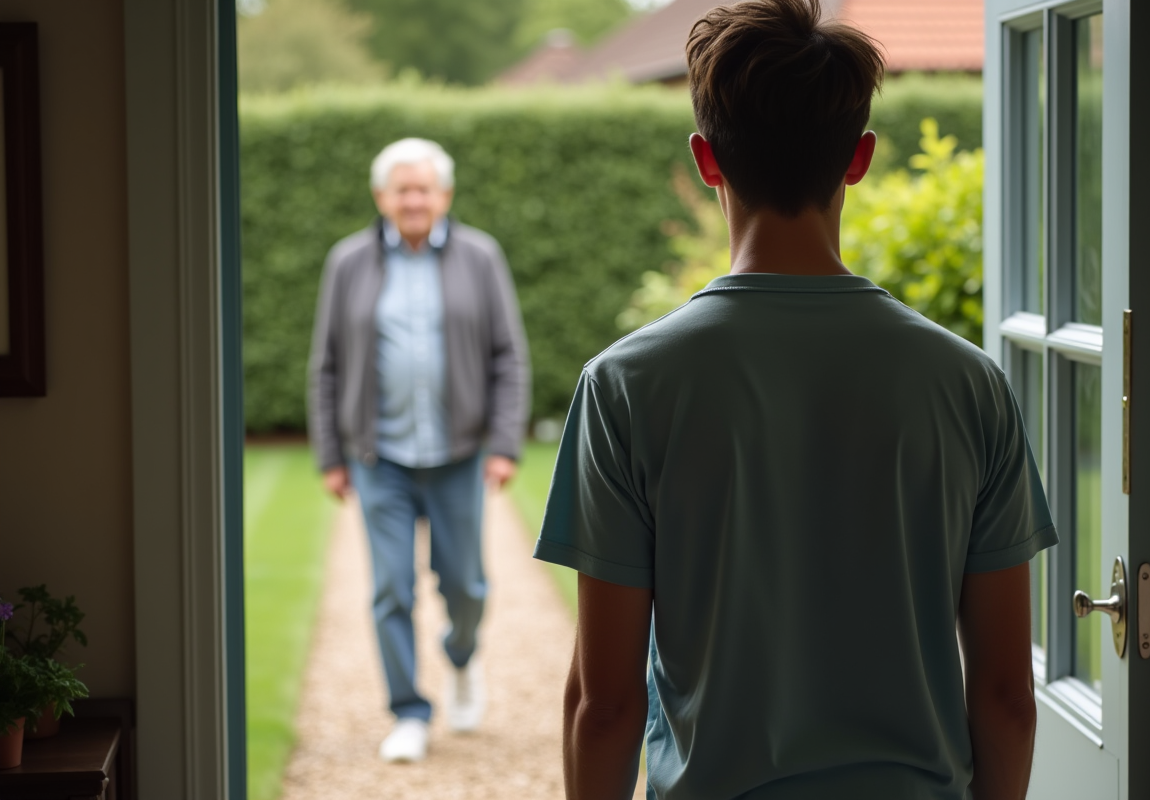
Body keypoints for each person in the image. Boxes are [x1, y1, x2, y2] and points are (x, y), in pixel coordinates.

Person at [532, 1, 1057, 798]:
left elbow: (604, 704)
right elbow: (1007, 697)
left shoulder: (625, 386)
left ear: (706, 161)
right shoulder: (968, 383)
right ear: (859, 158)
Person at [309, 137, 530, 764]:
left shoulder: (479, 257)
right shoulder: (347, 262)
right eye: (401, 188)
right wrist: (331, 456)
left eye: (423, 188)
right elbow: (325, 365)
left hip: (459, 456)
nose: (413, 199)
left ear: (445, 195)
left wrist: (504, 444)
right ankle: (408, 710)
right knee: (391, 590)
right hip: (379, 461)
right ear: (381, 196)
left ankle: (461, 659)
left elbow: (508, 355)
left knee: (466, 587)